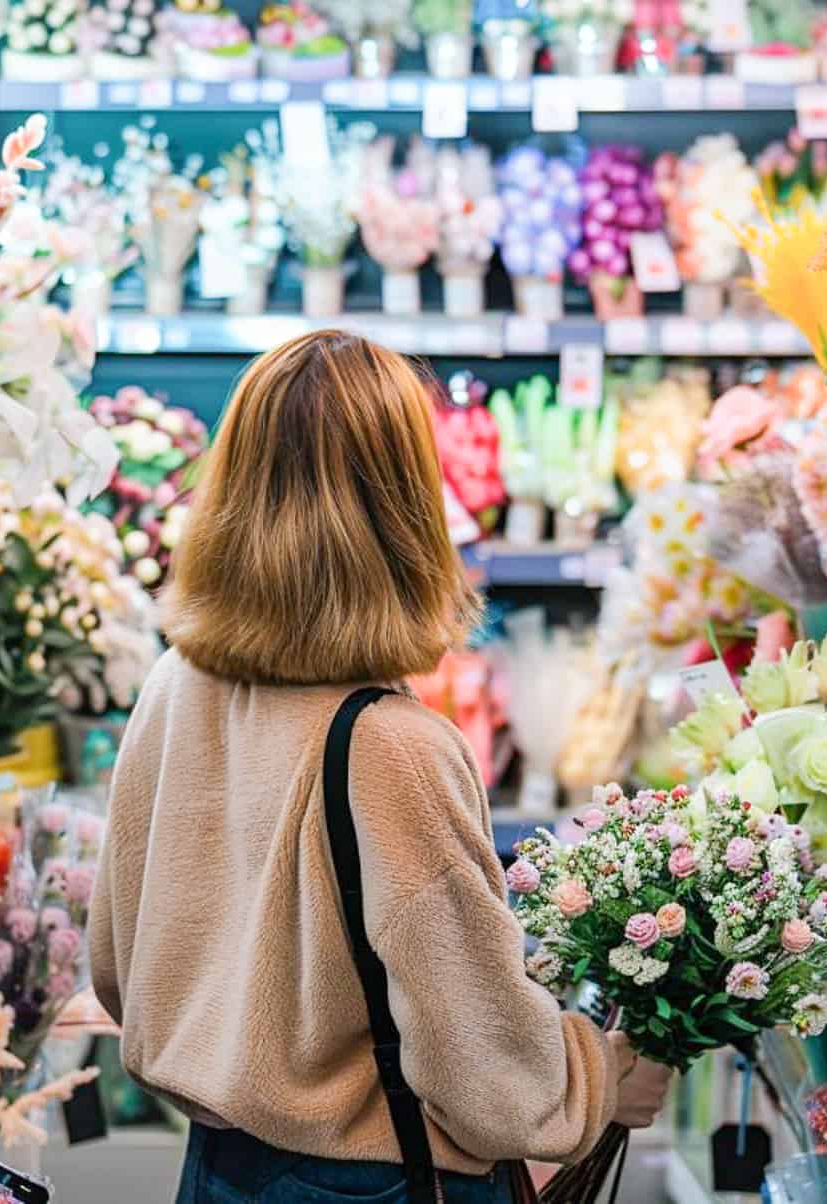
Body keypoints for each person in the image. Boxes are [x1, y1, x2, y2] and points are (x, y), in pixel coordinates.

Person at [88, 331, 671, 1203]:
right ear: (404, 501)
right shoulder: (393, 746)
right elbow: (484, 1071)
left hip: (218, 1170)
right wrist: (601, 1076)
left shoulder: (176, 686)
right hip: (371, 1180)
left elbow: (117, 964)